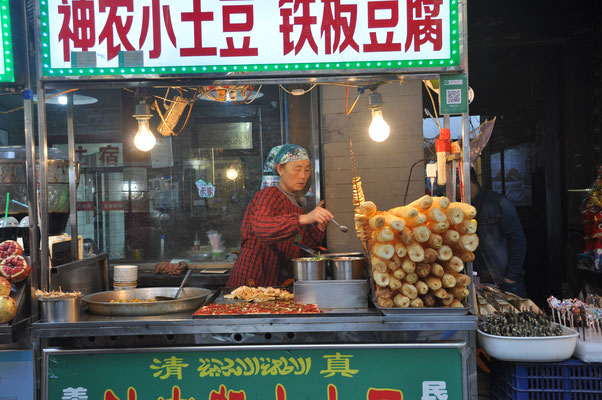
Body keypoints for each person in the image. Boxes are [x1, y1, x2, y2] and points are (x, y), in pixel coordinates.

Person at [227, 144, 333, 287]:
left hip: (275, 283)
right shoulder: (268, 195)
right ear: (280, 169)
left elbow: (298, 246)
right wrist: (304, 218)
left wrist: (320, 226)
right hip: (251, 280)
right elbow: (261, 227)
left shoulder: (296, 203)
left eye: (307, 170)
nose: (303, 175)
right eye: (297, 169)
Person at [471, 168, 528, 297]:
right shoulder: (460, 207)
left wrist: (511, 276)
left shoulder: (498, 203)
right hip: (478, 284)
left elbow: (517, 240)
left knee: (514, 315)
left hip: (505, 282)